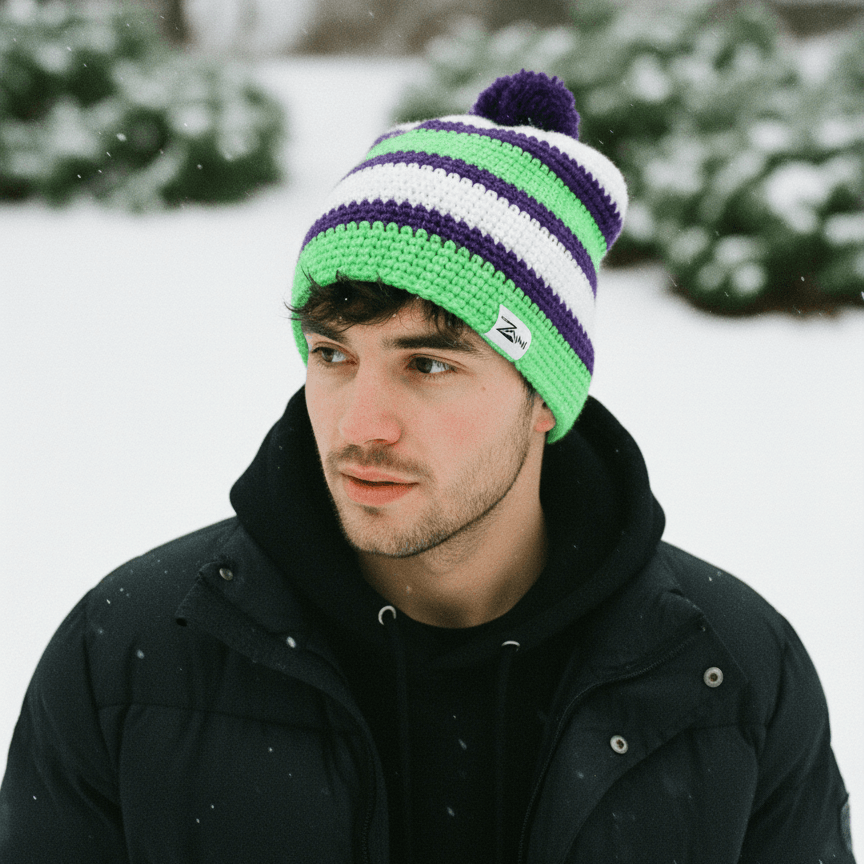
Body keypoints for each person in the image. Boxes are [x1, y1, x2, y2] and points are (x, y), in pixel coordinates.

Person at [0, 71, 854, 864]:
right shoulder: (129, 653)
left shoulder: (732, 672)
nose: (359, 426)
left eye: (429, 364)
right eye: (334, 355)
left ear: (546, 396)